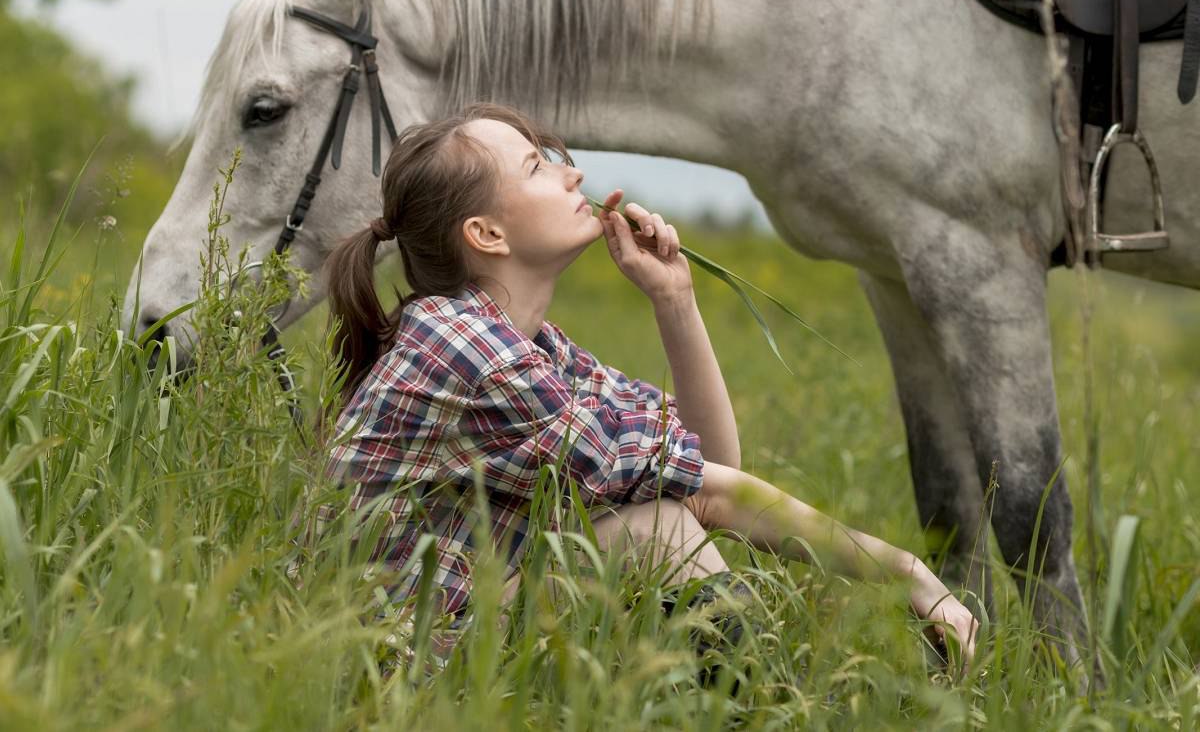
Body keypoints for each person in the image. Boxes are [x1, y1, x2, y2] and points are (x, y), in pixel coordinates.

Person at [319, 102, 979, 668]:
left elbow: (707, 466)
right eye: (536, 167)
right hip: (389, 663)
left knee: (660, 523)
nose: (571, 170)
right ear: (486, 234)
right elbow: (710, 493)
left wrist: (675, 301)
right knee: (656, 533)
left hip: (450, 634)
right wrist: (906, 572)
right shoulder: (469, 350)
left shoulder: (534, 349)